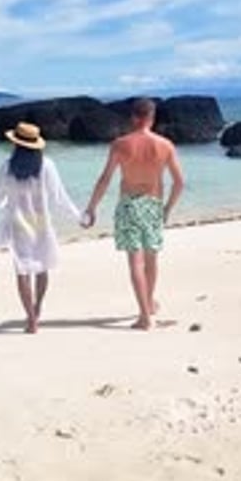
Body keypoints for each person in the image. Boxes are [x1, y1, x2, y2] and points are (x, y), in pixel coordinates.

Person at [83, 98, 184, 330]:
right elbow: (179, 183)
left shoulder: (120, 144)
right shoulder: (165, 145)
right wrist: (167, 209)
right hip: (153, 204)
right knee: (151, 260)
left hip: (129, 205)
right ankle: (148, 305)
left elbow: (105, 179)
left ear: (133, 117)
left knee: (135, 262)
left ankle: (145, 316)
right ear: (151, 118)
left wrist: (92, 207)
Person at [0, 121, 80, 333]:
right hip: (41, 222)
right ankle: (38, 307)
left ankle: (31, 319)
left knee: (22, 270)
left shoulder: (7, 167)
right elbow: (59, 197)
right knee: (42, 267)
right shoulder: (47, 165)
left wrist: (7, 203)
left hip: (18, 223)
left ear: (16, 143)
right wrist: (80, 217)